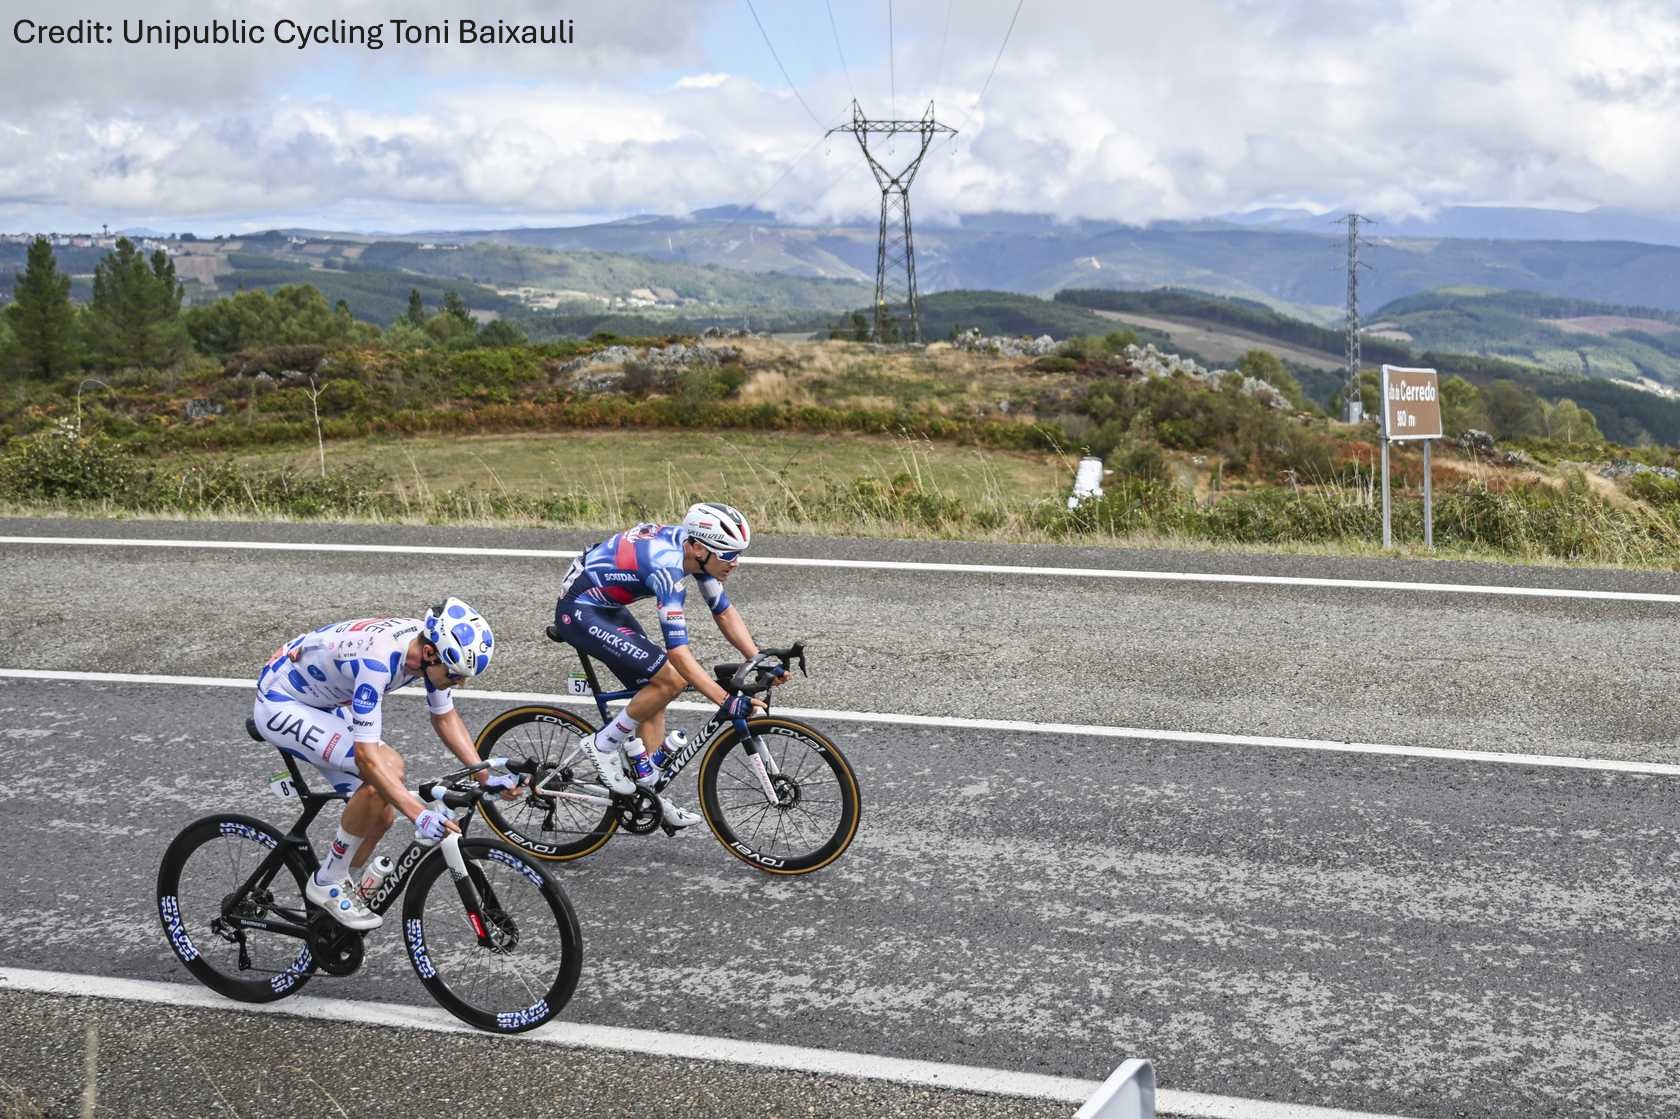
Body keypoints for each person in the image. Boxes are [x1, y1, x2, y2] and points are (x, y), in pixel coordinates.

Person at [250, 599, 511, 930]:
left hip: (324, 701)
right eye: (455, 674)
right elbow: (367, 758)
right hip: (283, 702)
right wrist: (419, 814)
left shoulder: (426, 650)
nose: (459, 683)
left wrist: (486, 775)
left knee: (382, 812)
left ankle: (335, 899)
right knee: (387, 770)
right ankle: (327, 882)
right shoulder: (378, 661)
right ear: (431, 654)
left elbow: (444, 716)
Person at [551, 502, 785, 828]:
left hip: (605, 602)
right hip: (580, 610)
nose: (735, 563)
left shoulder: (696, 553)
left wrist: (758, 657)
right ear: (700, 548)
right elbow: (678, 654)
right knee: (670, 679)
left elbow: (723, 611)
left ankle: (649, 793)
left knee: (657, 689)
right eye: (729, 555)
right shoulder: (667, 569)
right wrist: (726, 701)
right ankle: (602, 745)